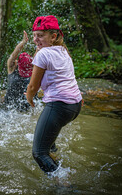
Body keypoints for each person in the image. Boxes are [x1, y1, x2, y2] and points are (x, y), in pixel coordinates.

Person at [25, 15, 83, 174]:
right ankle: (54, 156)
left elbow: (32, 87)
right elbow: (68, 76)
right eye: (35, 35)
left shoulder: (43, 55)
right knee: (49, 144)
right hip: (75, 105)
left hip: (59, 106)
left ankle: (64, 185)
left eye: (41, 35)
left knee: (39, 153)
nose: (36, 39)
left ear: (54, 36)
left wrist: (29, 98)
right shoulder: (63, 51)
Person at [4, 31, 33, 111]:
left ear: (17, 63)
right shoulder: (34, 73)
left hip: (10, 108)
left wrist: (23, 42)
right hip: (27, 108)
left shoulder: (12, 70)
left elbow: (13, 55)